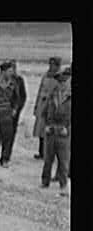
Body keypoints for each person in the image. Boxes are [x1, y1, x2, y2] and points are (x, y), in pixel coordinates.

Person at [40, 66, 71, 196]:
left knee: (63, 161)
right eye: (60, 82)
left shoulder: (70, 98)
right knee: (48, 159)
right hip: (51, 132)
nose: (62, 84)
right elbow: (43, 113)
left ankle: (63, 185)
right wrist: (46, 125)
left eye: (64, 81)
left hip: (63, 133)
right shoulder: (52, 96)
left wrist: (67, 129)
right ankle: (45, 181)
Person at [33, 56, 61, 159]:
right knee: (41, 130)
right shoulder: (45, 75)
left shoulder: (60, 77)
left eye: (53, 64)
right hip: (42, 104)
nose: (51, 66)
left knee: (51, 130)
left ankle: (51, 154)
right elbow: (40, 90)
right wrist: (36, 106)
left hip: (53, 106)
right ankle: (41, 152)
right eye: (50, 64)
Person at [9, 59, 27, 158]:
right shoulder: (1, 80)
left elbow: (23, 96)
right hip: (3, 110)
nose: (13, 69)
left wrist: (18, 109)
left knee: (11, 133)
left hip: (15, 111)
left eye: (14, 67)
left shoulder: (19, 80)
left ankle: (6, 155)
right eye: (11, 67)